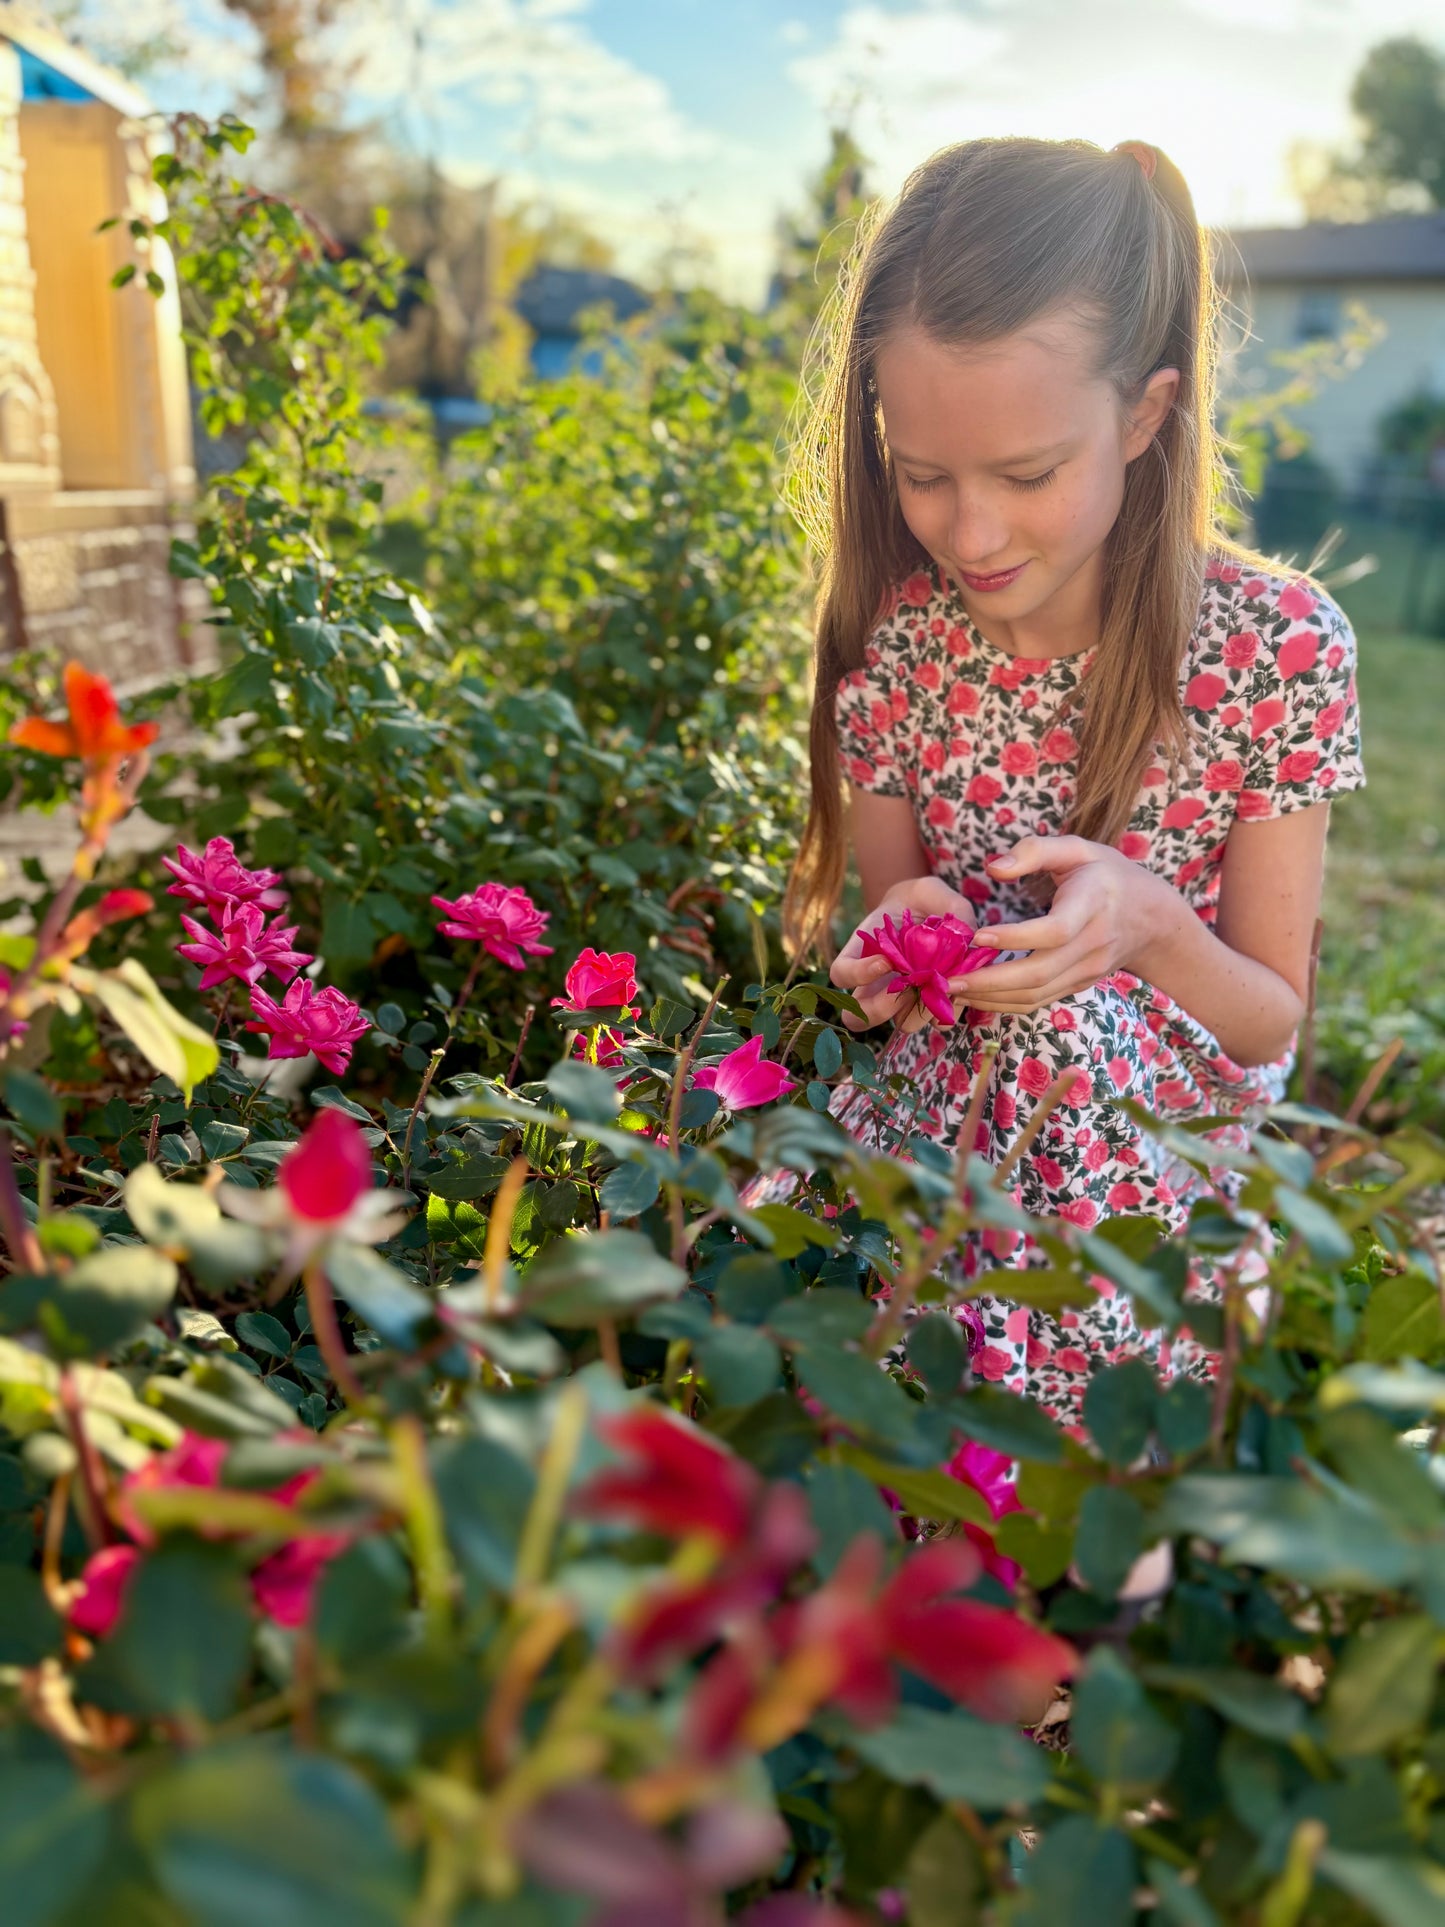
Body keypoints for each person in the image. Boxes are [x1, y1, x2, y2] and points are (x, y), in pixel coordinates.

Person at [747, 135, 1366, 1429]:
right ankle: (917, 1451)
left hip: (1154, 1165)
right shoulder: (899, 639)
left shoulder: (1275, 650)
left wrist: (1141, 925)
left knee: (1052, 1032)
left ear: (1141, 415)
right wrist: (903, 941)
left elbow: (1265, 1024)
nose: (968, 533)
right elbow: (896, 915)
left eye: (1025, 475)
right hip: (945, 1132)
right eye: (922, 476)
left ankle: (1058, 1476)